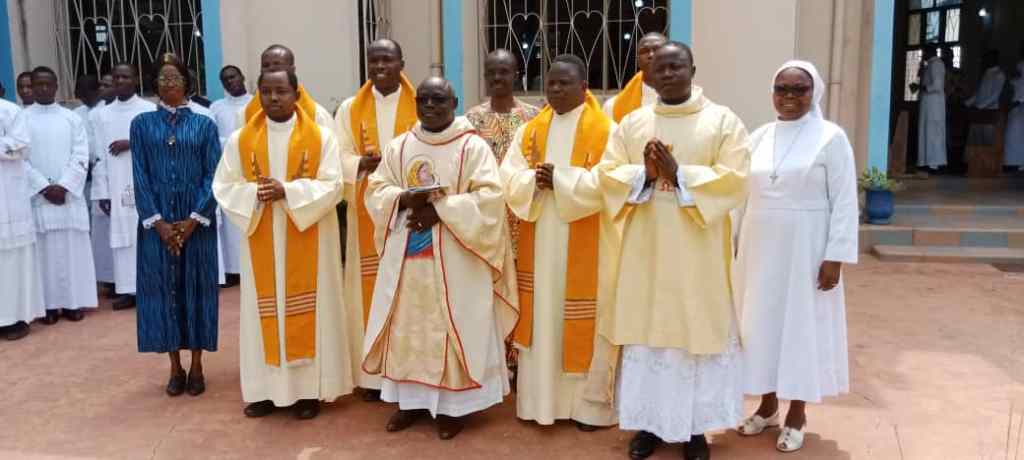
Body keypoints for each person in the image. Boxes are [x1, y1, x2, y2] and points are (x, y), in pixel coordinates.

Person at [594, 42, 750, 460]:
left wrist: (680, 175)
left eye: (675, 66)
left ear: (692, 69)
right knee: (647, 339)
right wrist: (642, 176)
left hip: (696, 250)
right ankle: (648, 426)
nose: (666, 74)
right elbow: (606, 176)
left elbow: (736, 180)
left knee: (693, 336)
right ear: (647, 74)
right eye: (659, 68)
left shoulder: (722, 121)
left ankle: (695, 431)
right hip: (646, 247)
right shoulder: (632, 123)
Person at [363, 77, 518, 440]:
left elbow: (491, 198)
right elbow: (377, 188)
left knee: (452, 326)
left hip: (456, 258)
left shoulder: (472, 148)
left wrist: (442, 211)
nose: (430, 106)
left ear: (455, 101)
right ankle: (410, 402)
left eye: (439, 99)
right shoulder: (400, 146)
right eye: (424, 99)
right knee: (408, 327)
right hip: (408, 258)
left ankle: (454, 407)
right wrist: (403, 199)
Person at [213, 69, 358, 419]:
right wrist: (257, 194)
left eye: (281, 91)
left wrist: (288, 192)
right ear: (258, 95)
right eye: (266, 91)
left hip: (307, 236)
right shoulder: (241, 139)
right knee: (262, 312)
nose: (274, 98)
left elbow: (333, 184)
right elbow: (224, 186)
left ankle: (309, 392)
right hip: (262, 234)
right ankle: (264, 391)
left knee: (311, 309)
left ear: (296, 93)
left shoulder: (321, 137)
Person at [733, 60, 858, 454]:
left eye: (798, 90)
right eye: (781, 89)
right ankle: (768, 405)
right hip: (759, 247)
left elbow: (844, 201)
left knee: (800, 328)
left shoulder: (830, 138)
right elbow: (741, 194)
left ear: (813, 92)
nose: (789, 97)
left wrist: (835, 256)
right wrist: (733, 243)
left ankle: (796, 413)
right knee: (762, 325)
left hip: (807, 248)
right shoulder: (758, 136)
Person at [499, 54, 617, 430]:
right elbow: (509, 175)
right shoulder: (531, 130)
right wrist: (534, 181)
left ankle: (588, 408)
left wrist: (563, 181)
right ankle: (539, 403)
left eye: (565, 83)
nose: (555, 89)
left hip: (587, 239)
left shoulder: (606, 130)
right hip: (542, 232)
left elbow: (613, 181)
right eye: (550, 83)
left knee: (583, 315)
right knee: (545, 315)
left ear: (584, 86)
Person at [129, 55, 221, 397]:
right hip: (157, 226)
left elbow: (214, 174)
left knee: (195, 290)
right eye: (163, 79)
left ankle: (197, 365)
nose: (168, 84)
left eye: (175, 78)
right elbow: (139, 174)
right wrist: (159, 223)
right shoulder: (141, 125)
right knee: (163, 291)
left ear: (187, 83)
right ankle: (174, 366)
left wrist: (194, 220)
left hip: (196, 222)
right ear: (155, 84)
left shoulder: (204, 125)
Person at [333, 38, 417, 401]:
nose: (380, 67)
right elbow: (338, 156)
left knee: (409, 291)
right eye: (374, 61)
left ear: (401, 62)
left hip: (410, 211)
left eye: (387, 59)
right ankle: (371, 375)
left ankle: (408, 371)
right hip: (368, 210)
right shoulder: (351, 108)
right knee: (367, 292)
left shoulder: (421, 103)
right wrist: (359, 165)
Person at [24, 66, 98, 324]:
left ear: (56, 86)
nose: (44, 89)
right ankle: (48, 306)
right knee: (43, 254)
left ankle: (73, 302)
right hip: (39, 198)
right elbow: (20, 159)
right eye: (38, 85)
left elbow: (81, 154)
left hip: (68, 196)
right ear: (31, 87)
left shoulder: (71, 118)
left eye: (48, 84)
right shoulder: (21, 119)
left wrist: (64, 185)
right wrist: (44, 187)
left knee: (72, 251)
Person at [90, 62, 157, 310]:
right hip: (116, 185)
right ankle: (129, 290)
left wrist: (131, 142)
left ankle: (151, 289)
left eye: (125, 77)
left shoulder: (149, 109)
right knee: (124, 239)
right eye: (116, 77)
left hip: (145, 182)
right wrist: (102, 192)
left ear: (135, 79)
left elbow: (161, 144)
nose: (120, 81)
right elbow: (97, 156)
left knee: (148, 235)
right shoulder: (101, 114)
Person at [466, 49, 541, 257]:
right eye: (491, 72)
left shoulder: (534, 117)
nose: (497, 77)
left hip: (523, 209)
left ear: (515, 75)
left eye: (504, 71)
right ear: (485, 77)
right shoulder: (471, 119)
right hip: (486, 211)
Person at [0, 91, 45, 340]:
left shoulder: (9, 111)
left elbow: (21, 146)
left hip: (8, 197)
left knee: (13, 260)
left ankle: (15, 318)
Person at [210, 65, 253, 287]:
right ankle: (231, 270)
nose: (230, 81)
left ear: (242, 76)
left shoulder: (255, 103)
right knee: (229, 223)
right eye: (225, 79)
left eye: (233, 76)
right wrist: (229, 142)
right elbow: (211, 139)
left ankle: (250, 267)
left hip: (250, 169)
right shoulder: (216, 108)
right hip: (227, 169)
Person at [241, 44, 334, 127]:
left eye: (277, 64)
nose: (271, 69)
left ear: (292, 69)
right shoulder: (245, 114)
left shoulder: (318, 115)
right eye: (266, 65)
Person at [602, 32, 667, 122]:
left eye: (658, 50)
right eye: (644, 51)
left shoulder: (686, 100)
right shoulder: (612, 106)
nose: (651, 55)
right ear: (637, 61)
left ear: (670, 56)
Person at [964, 50, 1006, 146]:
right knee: (976, 142)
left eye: (986, 59)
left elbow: (995, 95)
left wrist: (979, 107)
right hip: (978, 113)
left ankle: (986, 161)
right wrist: (966, 103)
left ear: (994, 59)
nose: (984, 61)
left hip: (989, 113)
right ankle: (976, 161)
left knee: (987, 143)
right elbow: (979, 94)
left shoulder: (999, 74)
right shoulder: (986, 73)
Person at [917, 46, 947, 171]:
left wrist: (924, 88)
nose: (923, 55)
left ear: (930, 52)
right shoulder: (929, 64)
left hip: (934, 105)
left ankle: (934, 164)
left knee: (933, 133)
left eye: (924, 52)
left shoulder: (936, 64)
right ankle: (927, 162)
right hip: (929, 105)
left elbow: (937, 85)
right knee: (927, 132)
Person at [1004, 43, 1024, 171]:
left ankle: (1018, 162)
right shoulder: (1019, 68)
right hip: (1017, 103)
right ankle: (1013, 162)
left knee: (1017, 133)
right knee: (1013, 134)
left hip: (1020, 103)